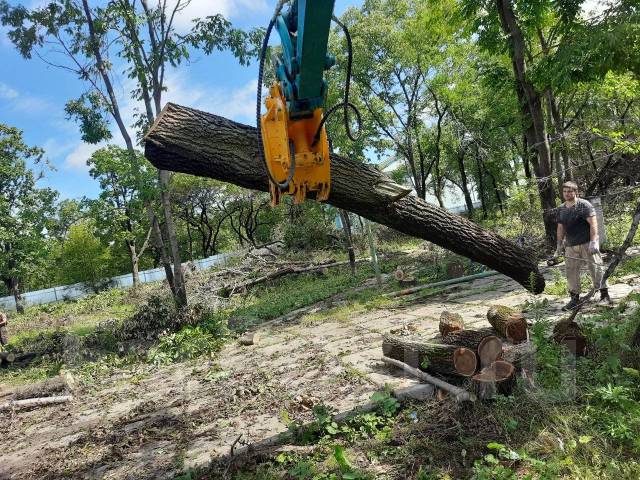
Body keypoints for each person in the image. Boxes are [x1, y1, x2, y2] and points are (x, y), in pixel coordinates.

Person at [556, 181, 611, 310]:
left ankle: (604, 295)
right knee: (571, 272)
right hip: (571, 246)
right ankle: (575, 300)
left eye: (570, 191)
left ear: (576, 192)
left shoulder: (584, 205)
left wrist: (594, 241)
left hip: (587, 243)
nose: (567, 194)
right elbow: (560, 227)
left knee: (596, 268)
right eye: (565, 191)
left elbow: (593, 224)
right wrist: (559, 244)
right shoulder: (561, 209)